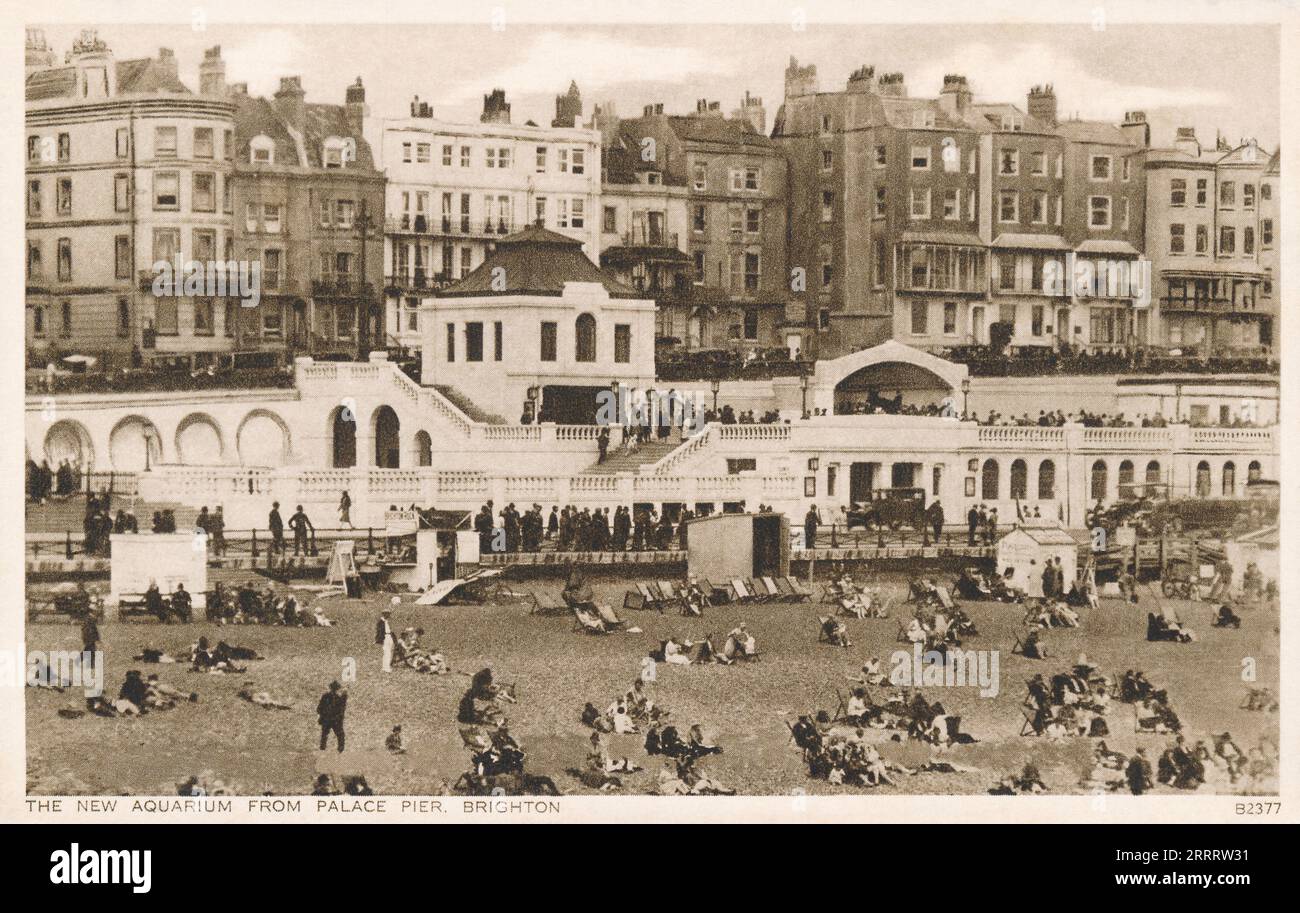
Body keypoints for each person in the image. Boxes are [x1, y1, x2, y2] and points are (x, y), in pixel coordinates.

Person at [317, 681, 347, 752]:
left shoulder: (325, 696)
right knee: (340, 735)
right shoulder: (338, 698)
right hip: (335, 720)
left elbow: (319, 708)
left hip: (326, 719)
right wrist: (344, 697)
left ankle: (322, 748)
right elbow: (341, 709)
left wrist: (323, 715)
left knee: (324, 735)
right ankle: (340, 749)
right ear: (337, 689)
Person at [376, 605, 397, 673]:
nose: (389, 615)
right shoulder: (381, 622)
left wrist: (394, 639)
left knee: (389, 652)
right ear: (384, 614)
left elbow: (391, 631)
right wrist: (378, 639)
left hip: (389, 637)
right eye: (388, 614)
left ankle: (387, 666)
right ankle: (385, 667)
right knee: (386, 652)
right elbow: (379, 631)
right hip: (385, 637)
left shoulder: (387, 621)